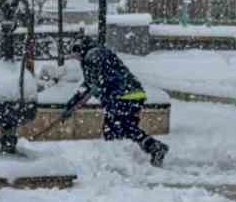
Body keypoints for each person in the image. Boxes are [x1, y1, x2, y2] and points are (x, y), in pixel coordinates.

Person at [60, 33, 169, 167]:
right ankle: (150, 148)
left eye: (75, 55)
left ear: (80, 48)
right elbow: (89, 85)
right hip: (133, 94)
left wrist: (97, 89)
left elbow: (96, 82)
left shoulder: (93, 55)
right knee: (125, 128)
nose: (76, 59)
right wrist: (70, 107)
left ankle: (122, 159)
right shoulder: (94, 56)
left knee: (113, 129)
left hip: (122, 96)